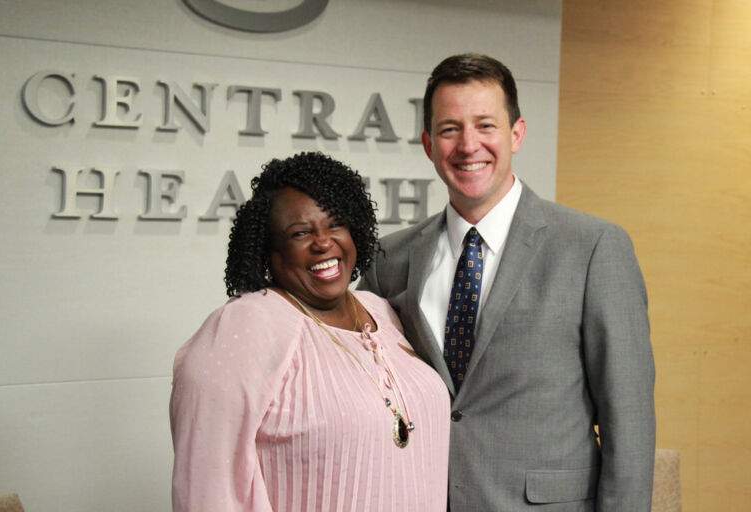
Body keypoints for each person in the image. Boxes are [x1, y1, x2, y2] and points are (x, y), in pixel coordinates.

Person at [359, 53, 656, 510]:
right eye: (449, 128)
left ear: (516, 134)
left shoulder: (593, 248)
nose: (468, 145)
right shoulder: (388, 260)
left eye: (485, 125)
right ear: (428, 143)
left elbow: (628, 422)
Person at [169, 152, 450, 512]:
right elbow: (208, 492)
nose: (323, 243)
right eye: (300, 233)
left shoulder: (382, 310)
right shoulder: (244, 328)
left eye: (335, 225)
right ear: (268, 252)